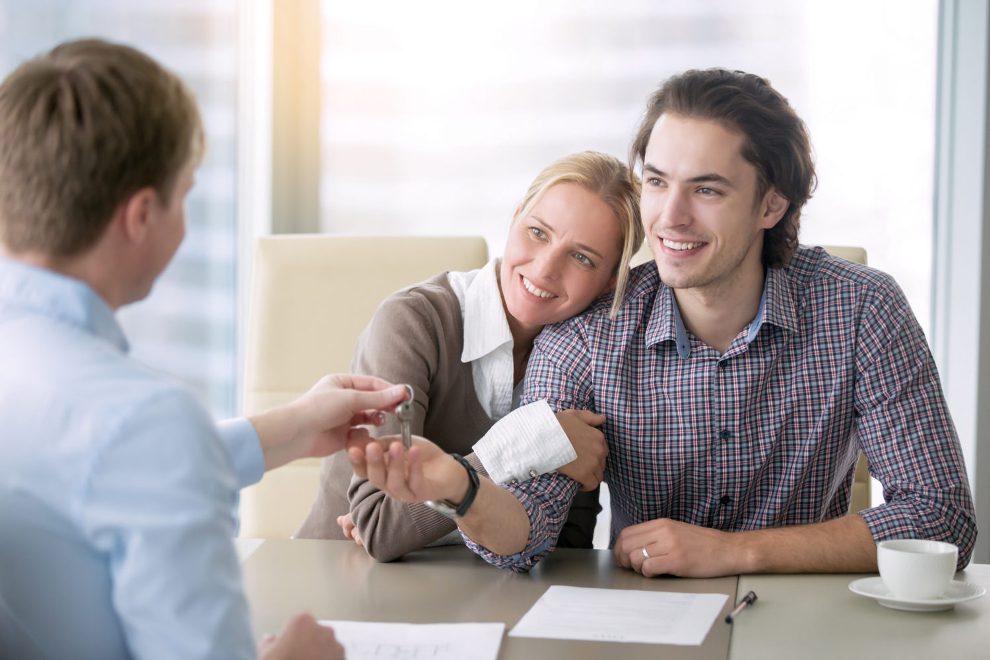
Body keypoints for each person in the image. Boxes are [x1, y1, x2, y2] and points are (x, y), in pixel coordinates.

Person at [346, 68, 978, 577]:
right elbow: (525, 537)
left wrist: (738, 552)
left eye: (707, 190)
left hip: (810, 622)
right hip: (648, 625)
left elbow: (941, 519)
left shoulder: (862, 309)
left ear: (772, 204)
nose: (669, 217)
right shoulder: (590, 331)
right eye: (656, 181)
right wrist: (465, 489)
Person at [0, 39, 408, 659]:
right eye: (184, 193)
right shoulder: (141, 420)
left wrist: (295, 427)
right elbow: (134, 452)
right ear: (140, 215)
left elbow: (93, 470)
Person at [297, 151, 645, 561]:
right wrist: (531, 444)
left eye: (582, 257)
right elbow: (379, 525)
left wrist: (427, 524)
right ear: (514, 218)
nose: (546, 267)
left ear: (608, 284)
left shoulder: (583, 361)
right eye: (537, 232)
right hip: (340, 584)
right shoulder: (413, 323)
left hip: (479, 604)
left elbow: (562, 548)